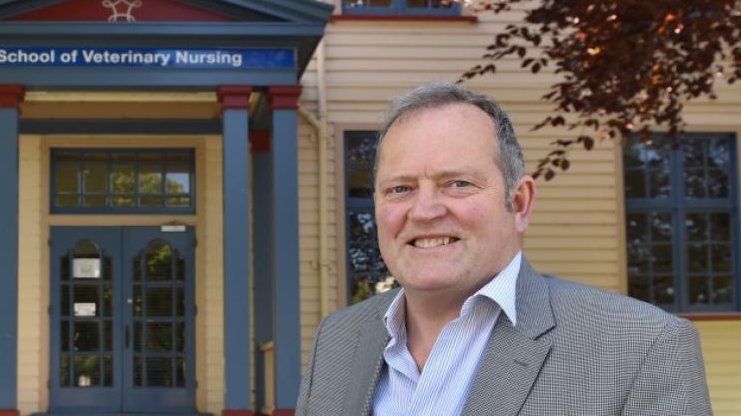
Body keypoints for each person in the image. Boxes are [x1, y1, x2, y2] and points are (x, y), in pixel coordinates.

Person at [295, 82, 712, 416]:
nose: (423, 210)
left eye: (457, 183)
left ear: (519, 203)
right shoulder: (338, 338)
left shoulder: (640, 347)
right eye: (399, 189)